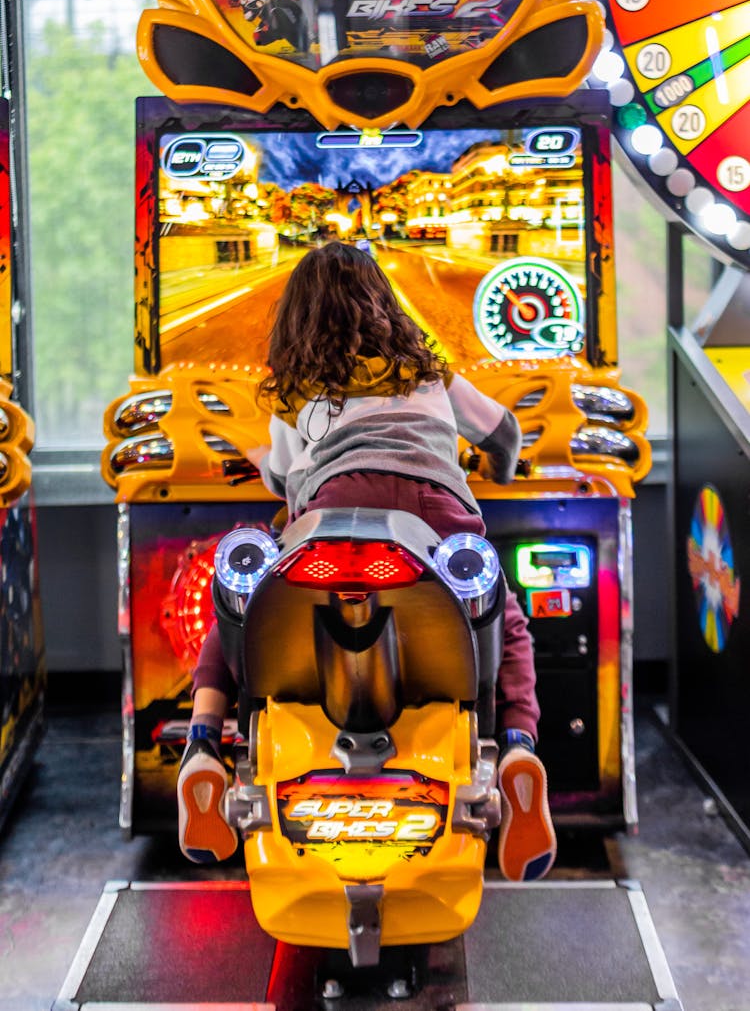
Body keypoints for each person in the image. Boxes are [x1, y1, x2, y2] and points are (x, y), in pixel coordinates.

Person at [177, 241, 556, 882]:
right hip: (435, 519)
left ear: (297, 318)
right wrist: (499, 470)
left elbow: (279, 476)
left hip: (333, 515)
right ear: (384, 303)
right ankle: (518, 745)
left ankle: (204, 740)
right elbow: (506, 433)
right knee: (502, 614)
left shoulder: (296, 392)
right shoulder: (429, 373)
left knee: (238, 598)